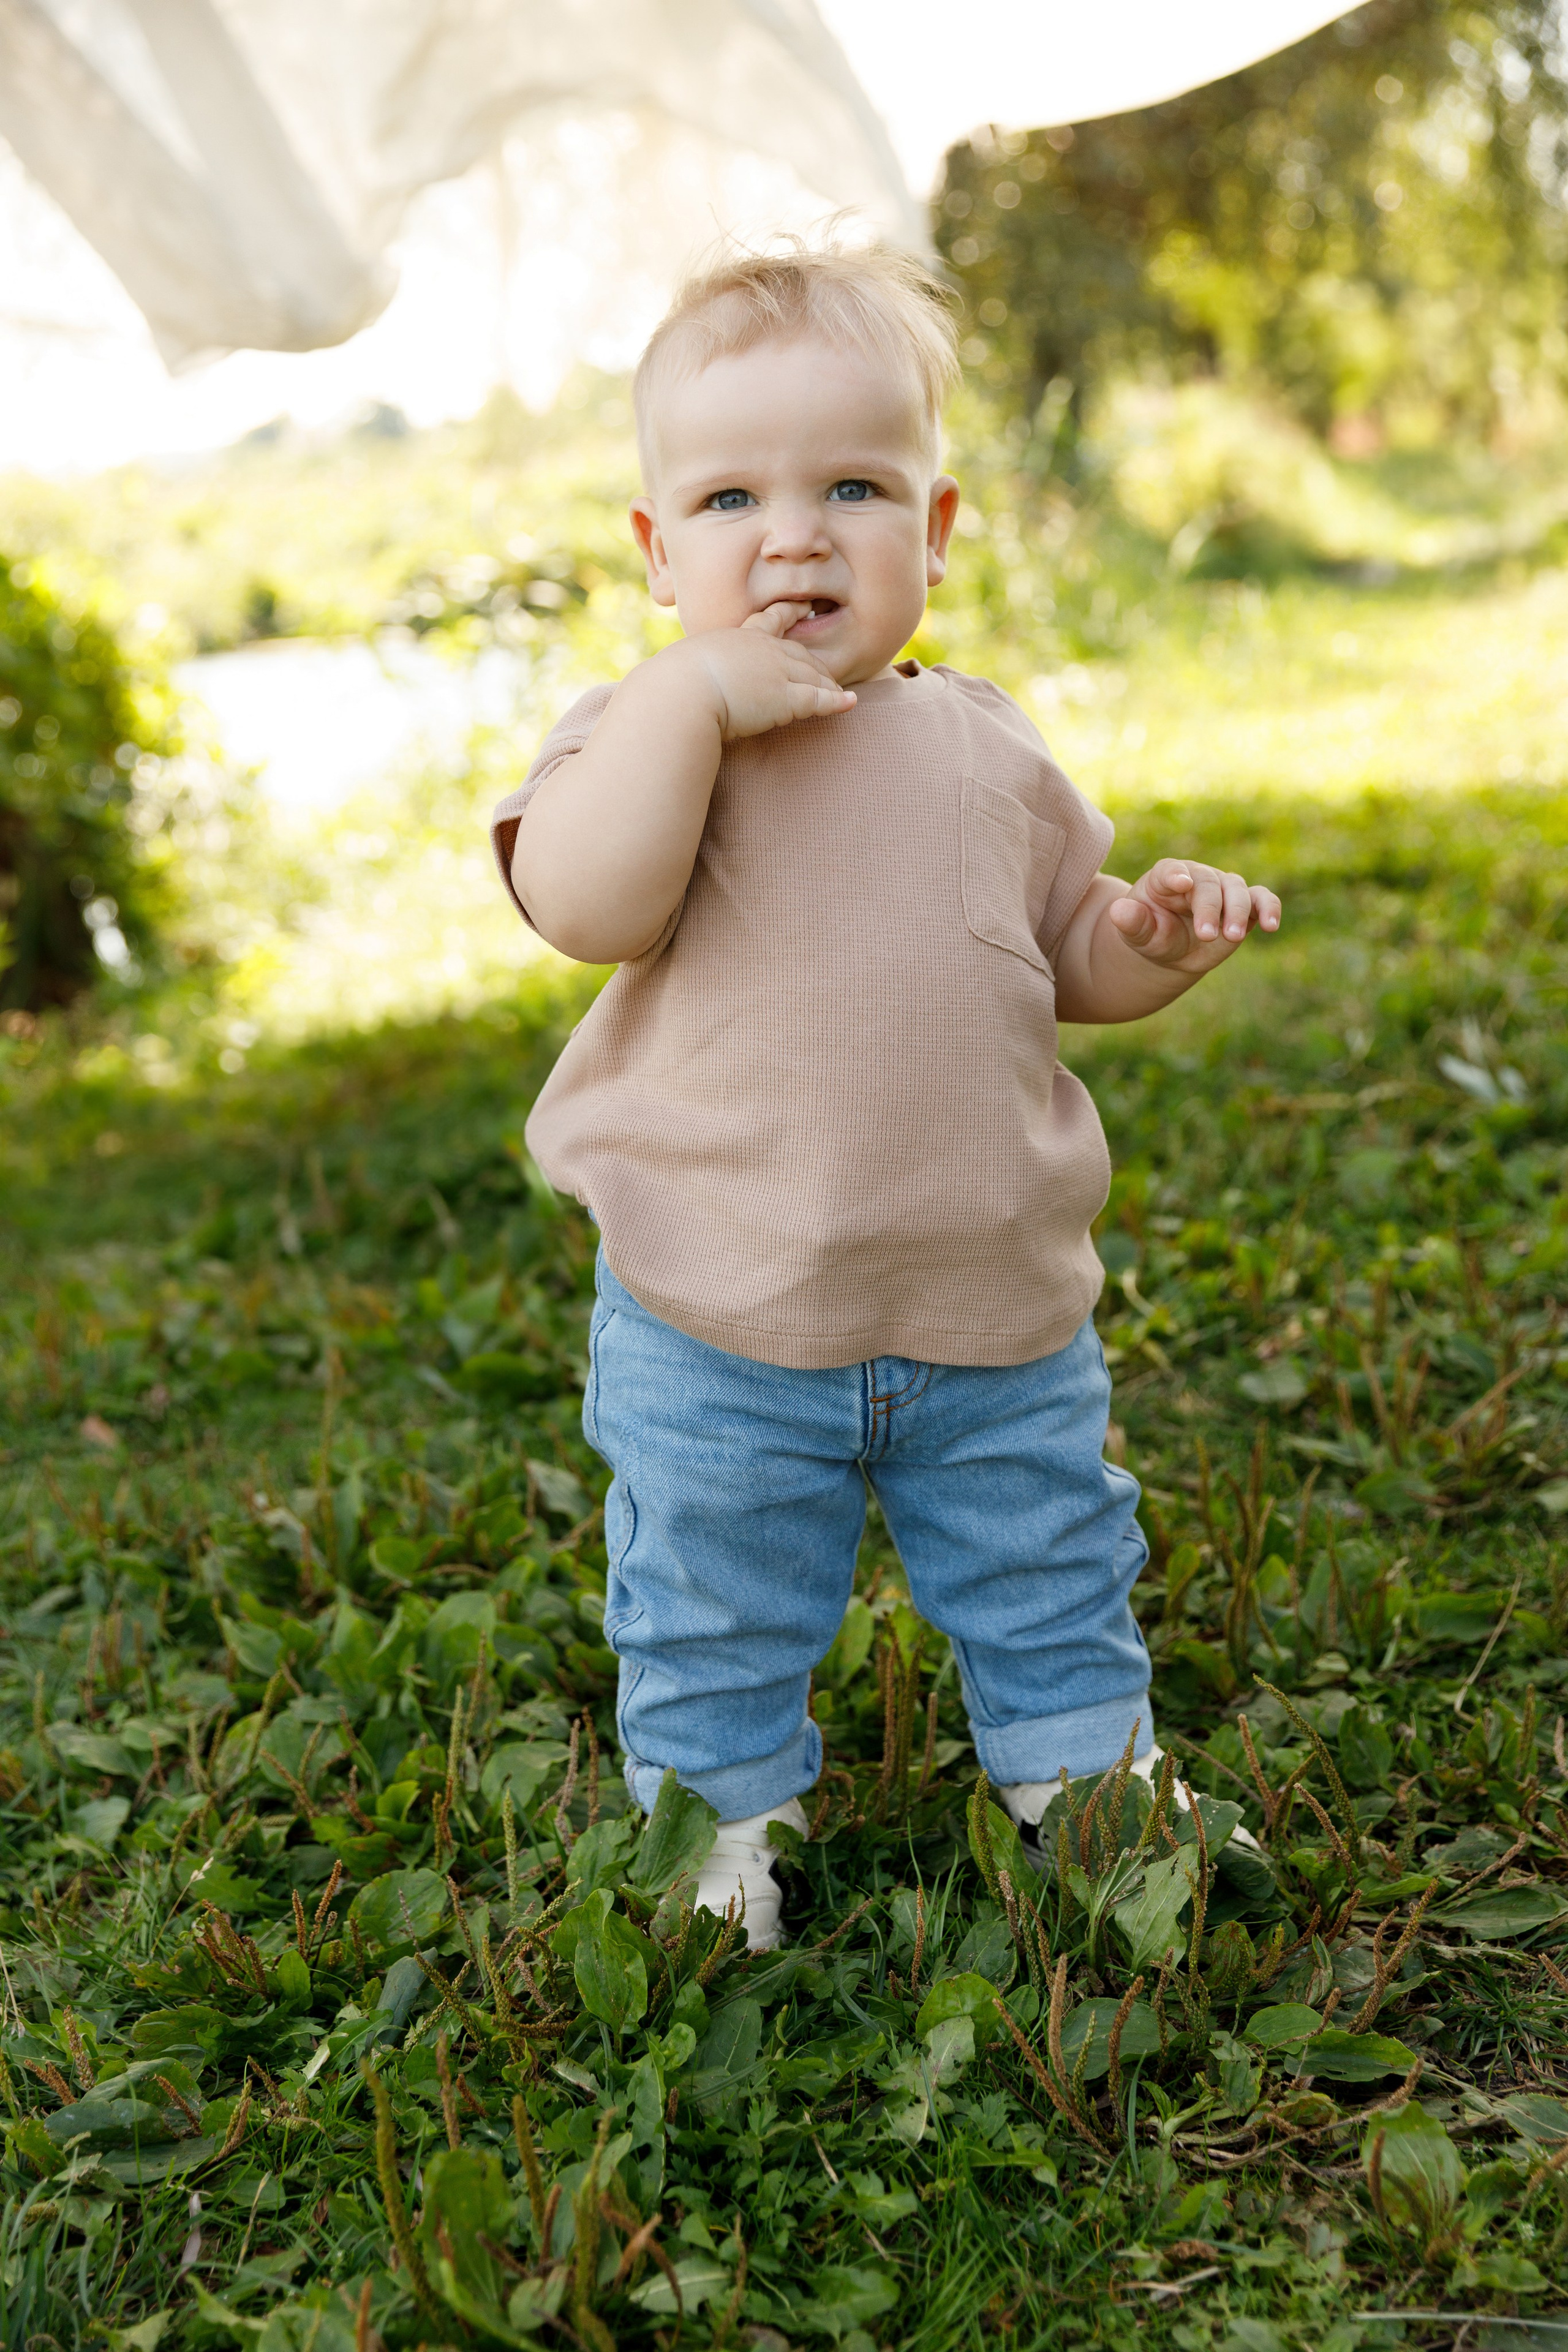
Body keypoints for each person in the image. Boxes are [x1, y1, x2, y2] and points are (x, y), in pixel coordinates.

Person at [491, 240, 1280, 1946]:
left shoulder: (987, 746)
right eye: (727, 498)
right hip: (721, 1321)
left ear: (933, 533)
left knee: (1054, 1564)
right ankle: (712, 1840)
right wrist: (689, 705)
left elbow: (1065, 950)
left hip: (989, 1311)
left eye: (854, 486)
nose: (792, 535)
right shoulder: (638, 737)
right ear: (654, 551)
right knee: (708, 1604)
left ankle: (1085, 1781)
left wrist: (1147, 936)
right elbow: (586, 905)